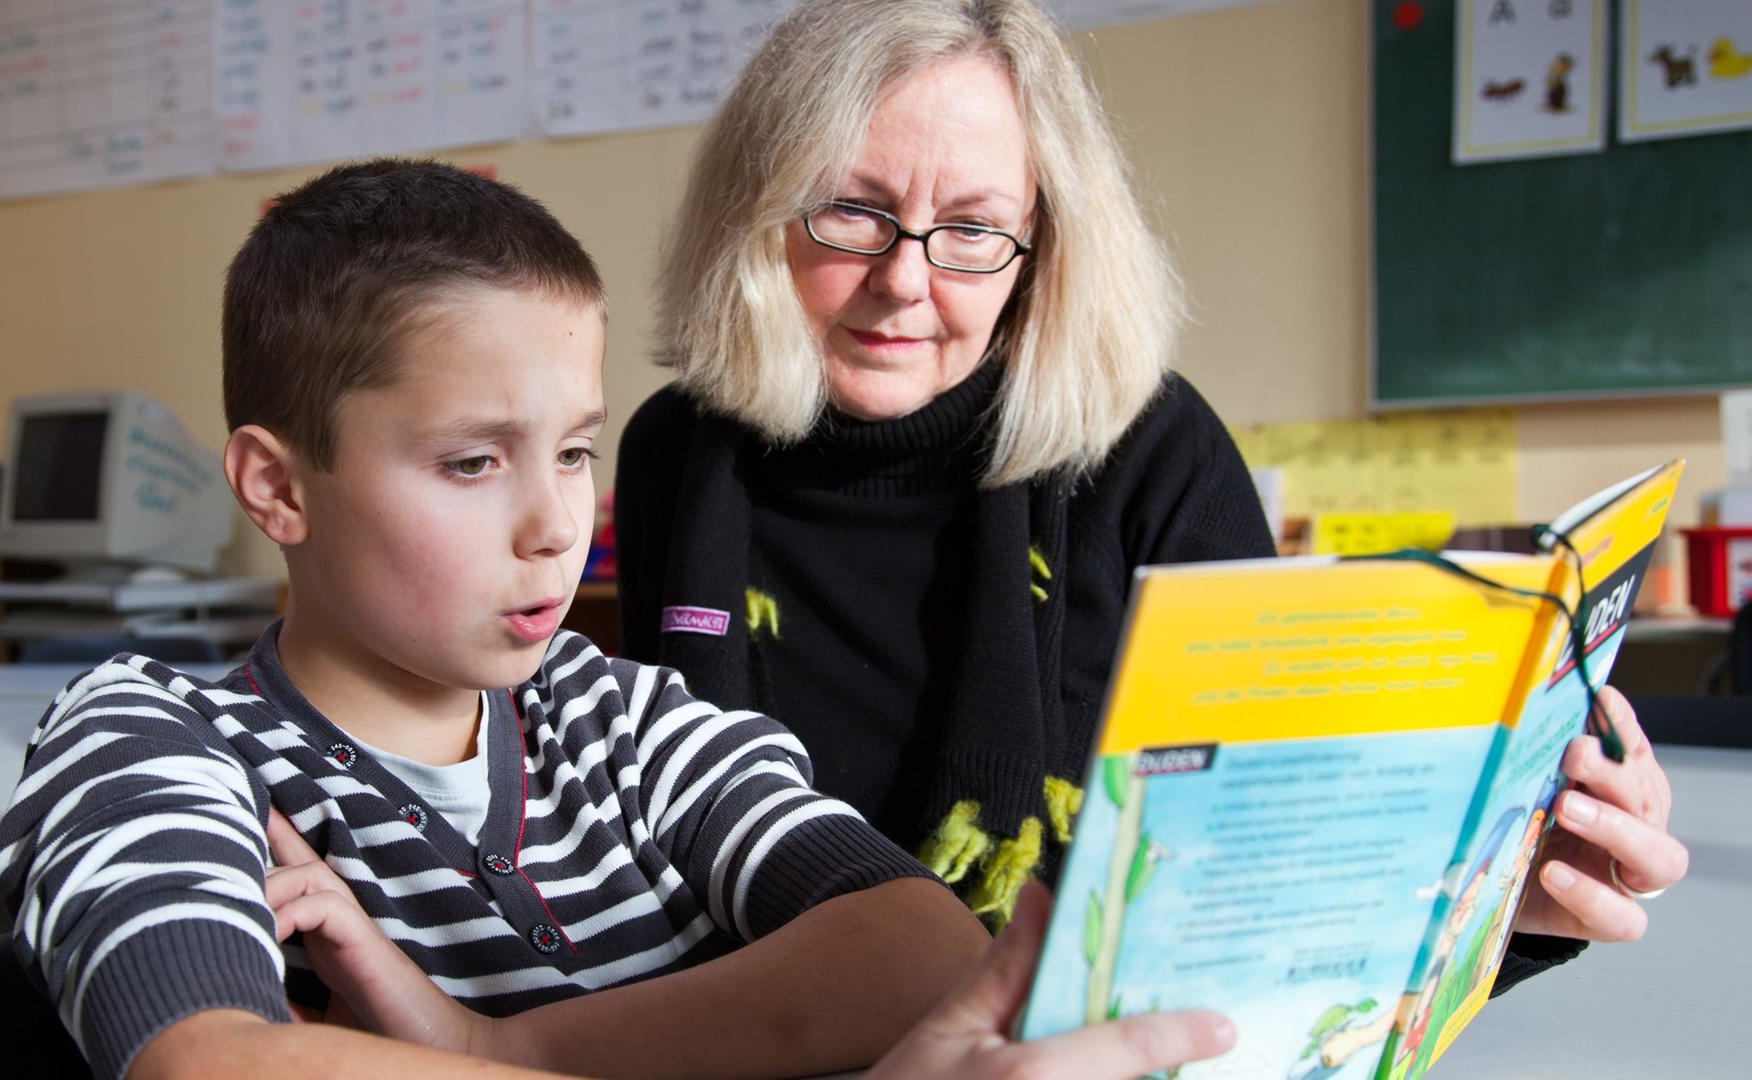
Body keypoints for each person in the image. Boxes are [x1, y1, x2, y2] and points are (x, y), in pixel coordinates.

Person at [615, 0, 1686, 972]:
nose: (906, 278)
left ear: (1039, 247)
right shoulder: (678, 452)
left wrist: (1512, 895)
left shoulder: (1151, 455)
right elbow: (643, 830)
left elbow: (1261, 873)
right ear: (760, 210)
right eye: (852, 210)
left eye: (974, 229)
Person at [0, 160, 1002, 1080]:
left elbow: (925, 950)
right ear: (278, 489)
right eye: (473, 462)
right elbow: (206, 1065)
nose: (558, 528)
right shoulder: (154, 738)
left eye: (572, 453)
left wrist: (495, 1042)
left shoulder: (621, 718)